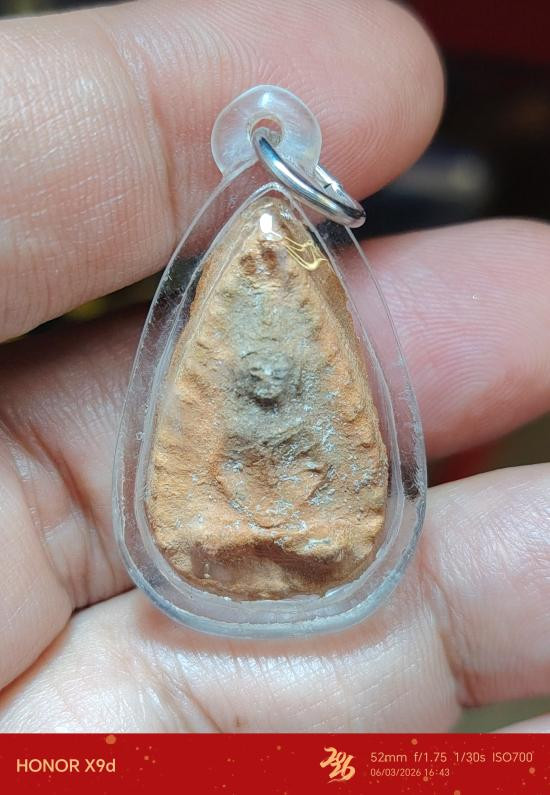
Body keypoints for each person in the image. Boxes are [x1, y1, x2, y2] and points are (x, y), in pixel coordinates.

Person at [0, 0, 548, 732]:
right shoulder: (215, 383)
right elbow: (203, 484)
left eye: (276, 373)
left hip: (309, 513)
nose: (264, 382)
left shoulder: (316, 382)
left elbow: (334, 478)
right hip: (219, 518)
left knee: (331, 528)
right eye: (252, 372)